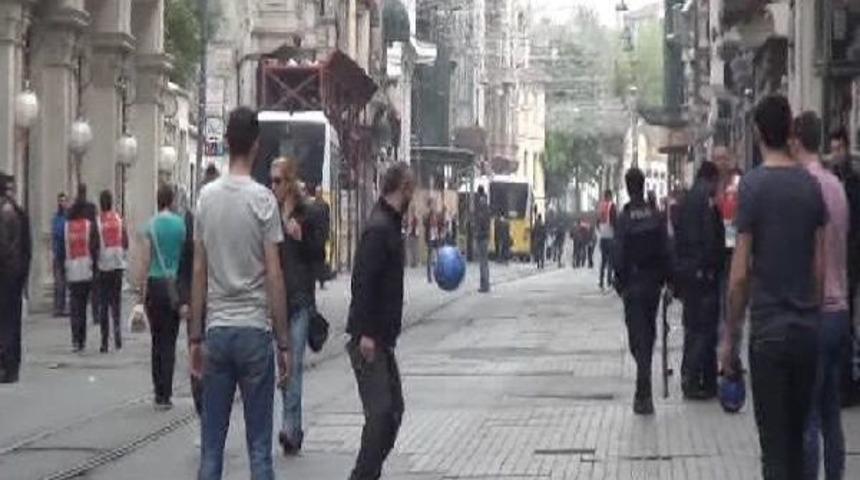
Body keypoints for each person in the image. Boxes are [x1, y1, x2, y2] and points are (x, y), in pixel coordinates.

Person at [719, 96, 826, 480]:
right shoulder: (810, 186)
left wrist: (730, 339)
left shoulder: (753, 187)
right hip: (806, 332)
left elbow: (739, 274)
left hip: (768, 334)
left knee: (774, 453)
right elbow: (819, 266)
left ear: (759, 133)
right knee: (799, 445)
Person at [189, 106, 290, 480]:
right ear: (257, 146)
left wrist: (195, 337)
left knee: (211, 448)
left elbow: (199, 271)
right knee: (260, 450)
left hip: (216, 331)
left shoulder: (205, 199)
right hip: (254, 333)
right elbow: (275, 276)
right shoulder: (264, 200)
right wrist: (283, 343)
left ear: (228, 143)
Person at [346, 162, 415, 480]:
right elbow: (363, 282)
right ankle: (363, 475)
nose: (413, 193)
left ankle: (368, 472)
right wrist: (365, 334)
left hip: (382, 338)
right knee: (381, 414)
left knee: (393, 412)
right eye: (410, 187)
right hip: (370, 339)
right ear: (402, 187)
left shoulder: (389, 223)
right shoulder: (379, 228)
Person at [793, 113, 850, 480]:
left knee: (807, 414)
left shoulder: (802, 187)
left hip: (812, 311)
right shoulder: (837, 186)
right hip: (839, 309)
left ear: (796, 141)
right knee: (831, 413)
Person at [271, 157, 326, 455]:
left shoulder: (309, 212)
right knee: (283, 367)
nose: (273, 186)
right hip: (276, 300)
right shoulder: (269, 214)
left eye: (278, 180)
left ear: (290, 182)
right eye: (272, 181)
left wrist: (300, 236)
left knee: (294, 367)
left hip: (301, 298)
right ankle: (294, 427)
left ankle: (289, 428)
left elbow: (319, 254)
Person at [613, 167, 670, 415]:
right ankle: (643, 381)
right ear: (643, 184)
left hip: (633, 285)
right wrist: (669, 281)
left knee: (638, 337)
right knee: (648, 332)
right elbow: (667, 250)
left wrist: (620, 283)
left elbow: (618, 253)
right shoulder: (655, 215)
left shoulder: (625, 218)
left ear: (627, 187)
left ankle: (643, 390)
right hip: (653, 285)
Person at [675, 161, 725, 400]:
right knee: (704, 329)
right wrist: (712, 266)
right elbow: (711, 237)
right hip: (703, 274)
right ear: (712, 179)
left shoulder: (686, 199)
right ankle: (695, 379)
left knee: (692, 327)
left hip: (688, 273)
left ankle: (699, 378)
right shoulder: (707, 199)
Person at [136, 184, 186, 409]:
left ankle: (158, 392)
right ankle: (167, 392)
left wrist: (141, 292)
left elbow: (145, 261)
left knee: (156, 340)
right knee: (170, 340)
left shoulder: (151, 225)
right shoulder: (181, 225)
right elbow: (185, 257)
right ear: (172, 200)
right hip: (174, 286)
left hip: (155, 285)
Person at [828, 127, 860, 406]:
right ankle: (842, 383)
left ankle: (847, 384)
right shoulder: (831, 180)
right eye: (833, 148)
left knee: (848, 324)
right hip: (836, 261)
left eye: (839, 148)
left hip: (850, 260)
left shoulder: (852, 181)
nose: (836, 153)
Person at [0, 173, 31, 383]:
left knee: (6, 321)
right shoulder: (17, 211)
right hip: (16, 273)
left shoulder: (5, 212)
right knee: (12, 320)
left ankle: (7, 365)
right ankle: (12, 365)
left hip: (5, 273)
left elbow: (3, 246)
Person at [94, 190, 128, 353]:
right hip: (118, 265)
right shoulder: (118, 219)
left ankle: (104, 342)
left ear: (101, 204)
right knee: (116, 304)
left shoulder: (98, 221)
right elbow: (126, 241)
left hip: (103, 267)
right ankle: (118, 337)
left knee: (104, 305)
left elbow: (93, 244)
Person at [65, 196, 100, 353]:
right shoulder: (88, 226)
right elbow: (94, 246)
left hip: (72, 270)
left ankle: (75, 339)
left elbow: (61, 245)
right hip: (86, 269)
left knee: (75, 306)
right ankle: (82, 340)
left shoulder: (67, 227)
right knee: (83, 306)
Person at [312, 184, 333, 289]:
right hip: (317, 236)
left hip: (319, 236)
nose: (318, 194)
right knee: (318, 258)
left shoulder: (321, 205)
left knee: (320, 258)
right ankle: (320, 280)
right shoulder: (318, 205)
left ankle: (321, 279)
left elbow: (327, 220)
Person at [52, 193, 69, 317]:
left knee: (65, 282)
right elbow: (56, 232)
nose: (62, 203)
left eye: (64, 201)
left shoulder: (68, 217)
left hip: (67, 253)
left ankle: (63, 306)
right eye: (60, 201)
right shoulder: (57, 218)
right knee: (59, 282)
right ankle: (58, 307)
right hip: (59, 252)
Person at [597, 190, 617, 290]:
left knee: (603, 261)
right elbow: (614, 221)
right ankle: (609, 281)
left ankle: (601, 281)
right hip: (611, 236)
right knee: (611, 261)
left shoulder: (601, 207)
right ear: (610, 196)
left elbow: (597, 222)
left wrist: (601, 231)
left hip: (602, 237)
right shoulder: (612, 206)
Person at [475, 185, 491, 292]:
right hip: (486, 236)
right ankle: (486, 284)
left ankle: (484, 285)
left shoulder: (481, 208)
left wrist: (477, 233)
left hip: (482, 237)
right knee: (485, 262)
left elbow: (480, 223)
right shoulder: (487, 206)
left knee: (482, 262)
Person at [424, 202, 439, 283]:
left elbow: (437, 226)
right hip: (430, 238)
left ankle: (438, 274)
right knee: (429, 258)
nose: (433, 207)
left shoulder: (436, 215)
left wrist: (438, 234)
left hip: (435, 238)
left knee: (438, 256)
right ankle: (429, 277)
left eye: (434, 205)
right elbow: (425, 224)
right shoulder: (428, 216)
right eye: (432, 206)